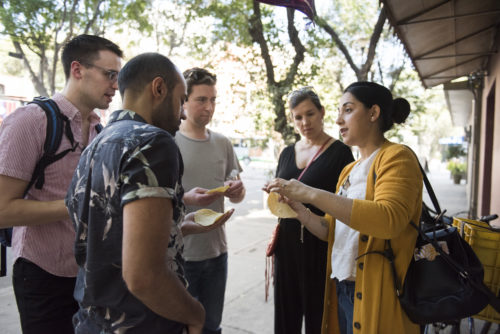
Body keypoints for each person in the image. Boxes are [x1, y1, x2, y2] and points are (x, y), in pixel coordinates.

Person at [66, 53, 233, 334]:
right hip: (143, 322)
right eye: (181, 100)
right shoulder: (154, 142)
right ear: (158, 89)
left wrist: (179, 229)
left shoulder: (97, 144)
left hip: (93, 321)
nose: (182, 112)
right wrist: (195, 313)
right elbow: (143, 276)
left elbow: (108, 238)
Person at [265, 81, 423, 334]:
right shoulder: (350, 170)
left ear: (373, 113)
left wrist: (309, 193)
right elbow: (330, 229)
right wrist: (299, 208)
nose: (339, 120)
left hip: (376, 290)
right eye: (339, 111)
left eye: (347, 110)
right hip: (342, 288)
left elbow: (389, 219)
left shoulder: (397, 157)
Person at [0, 34, 123, 334]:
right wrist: (75, 205)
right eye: (110, 75)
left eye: (118, 77)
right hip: (42, 274)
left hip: (88, 275)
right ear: (77, 70)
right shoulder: (31, 121)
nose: (116, 86)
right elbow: (2, 209)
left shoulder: (100, 129)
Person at [271, 87, 353, 334]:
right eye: (298, 117)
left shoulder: (340, 153)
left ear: (322, 113)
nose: (304, 122)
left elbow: (346, 203)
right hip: (287, 244)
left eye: (310, 114)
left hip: (320, 244)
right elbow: (281, 194)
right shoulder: (287, 153)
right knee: (286, 314)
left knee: (319, 317)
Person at [175, 67, 246, 334]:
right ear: (184, 100)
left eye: (213, 100)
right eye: (201, 100)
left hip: (217, 253)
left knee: (211, 327)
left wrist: (237, 191)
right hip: (180, 256)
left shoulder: (223, 143)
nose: (209, 107)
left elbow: (237, 192)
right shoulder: (169, 141)